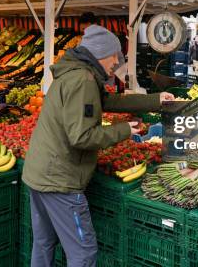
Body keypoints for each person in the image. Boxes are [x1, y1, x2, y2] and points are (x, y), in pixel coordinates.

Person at [21, 25, 174, 266]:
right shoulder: (82, 80)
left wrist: (155, 100)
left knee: (43, 243)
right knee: (83, 253)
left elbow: (107, 101)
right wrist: (125, 130)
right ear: (105, 54)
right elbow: (81, 137)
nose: (116, 64)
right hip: (60, 180)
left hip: (40, 173)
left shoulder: (78, 73)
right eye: (116, 57)